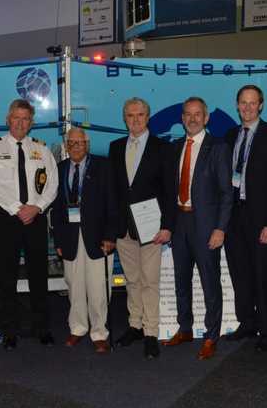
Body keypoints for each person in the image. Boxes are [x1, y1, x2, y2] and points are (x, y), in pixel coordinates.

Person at [0, 99, 58, 350]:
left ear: (31, 122)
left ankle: (42, 327)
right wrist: (18, 209)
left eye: (26, 118)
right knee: (7, 276)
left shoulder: (41, 149)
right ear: (8, 119)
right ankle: (9, 330)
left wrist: (36, 208)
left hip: (35, 218)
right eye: (16, 117)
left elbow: (52, 184)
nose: (20, 123)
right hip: (7, 219)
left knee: (39, 275)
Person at [162, 97, 232, 360]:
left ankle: (211, 335)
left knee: (209, 282)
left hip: (206, 226)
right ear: (182, 118)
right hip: (179, 223)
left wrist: (220, 229)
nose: (192, 119)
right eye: (187, 114)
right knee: (181, 280)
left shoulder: (218, 148)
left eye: (197, 114)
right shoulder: (175, 147)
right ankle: (185, 328)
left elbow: (227, 193)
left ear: (206, 118)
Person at [223, 85, 267, 351]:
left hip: (262, 219)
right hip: (233, 218)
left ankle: (266, 329)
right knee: (240, 275)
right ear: (237, 105)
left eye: (253, 103)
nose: (247, 107)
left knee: (262, 276)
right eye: (243, 102)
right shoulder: (229, 136)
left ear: (261, 105)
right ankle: (247, 323)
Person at [108, 97, 175, 359]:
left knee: (150, 282)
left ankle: (151, 333)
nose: (135, 120)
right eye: (130, 115)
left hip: (151, 228)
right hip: (124, 229)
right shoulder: (115, 148)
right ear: (124, 118)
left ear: (148, 117)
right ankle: (135, 325)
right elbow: (114, 191)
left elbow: (170, 191)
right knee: (132, 280)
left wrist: (168, 225)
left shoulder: (163, 148)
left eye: (140, 115)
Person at [50, 128, 117, 354]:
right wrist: (58, 239)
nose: (76, 146)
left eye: (80, 142)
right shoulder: (59, 169)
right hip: (69, 238)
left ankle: (99, 333)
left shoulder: (103, 166)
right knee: (74, 285)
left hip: (98, 238)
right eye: (71, 142)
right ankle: (77, 328)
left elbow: (112, 204)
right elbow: (56, 209)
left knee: (99, 288)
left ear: (87, 145)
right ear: (66, 145)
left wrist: (110, 236)